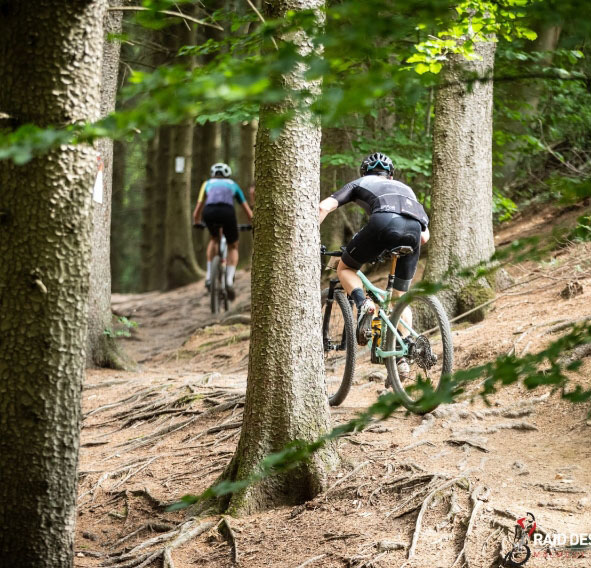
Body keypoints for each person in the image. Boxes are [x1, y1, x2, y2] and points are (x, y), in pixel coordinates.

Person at [318, 152, 430, 376]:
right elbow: (425, 237)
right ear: (390, 176)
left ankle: (363, 304)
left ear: (364, 172)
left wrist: (309, 237)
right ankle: (404, 347)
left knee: (346, 268)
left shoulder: (360, 183)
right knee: (399, 296)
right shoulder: (406, 189)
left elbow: (324, 207)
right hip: (414, 231)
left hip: (382, 223)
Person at [193, 162, 253, 300]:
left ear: (213, 174)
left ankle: (209, 276)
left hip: (209, 212)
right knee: (233, 245)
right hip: (227, 212)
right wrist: (252, 223)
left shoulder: (207, 184)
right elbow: (246, 209)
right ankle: (229, 281)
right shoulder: (233, 185)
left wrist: (197, 222)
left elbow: (198, 209)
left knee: (214, 238)